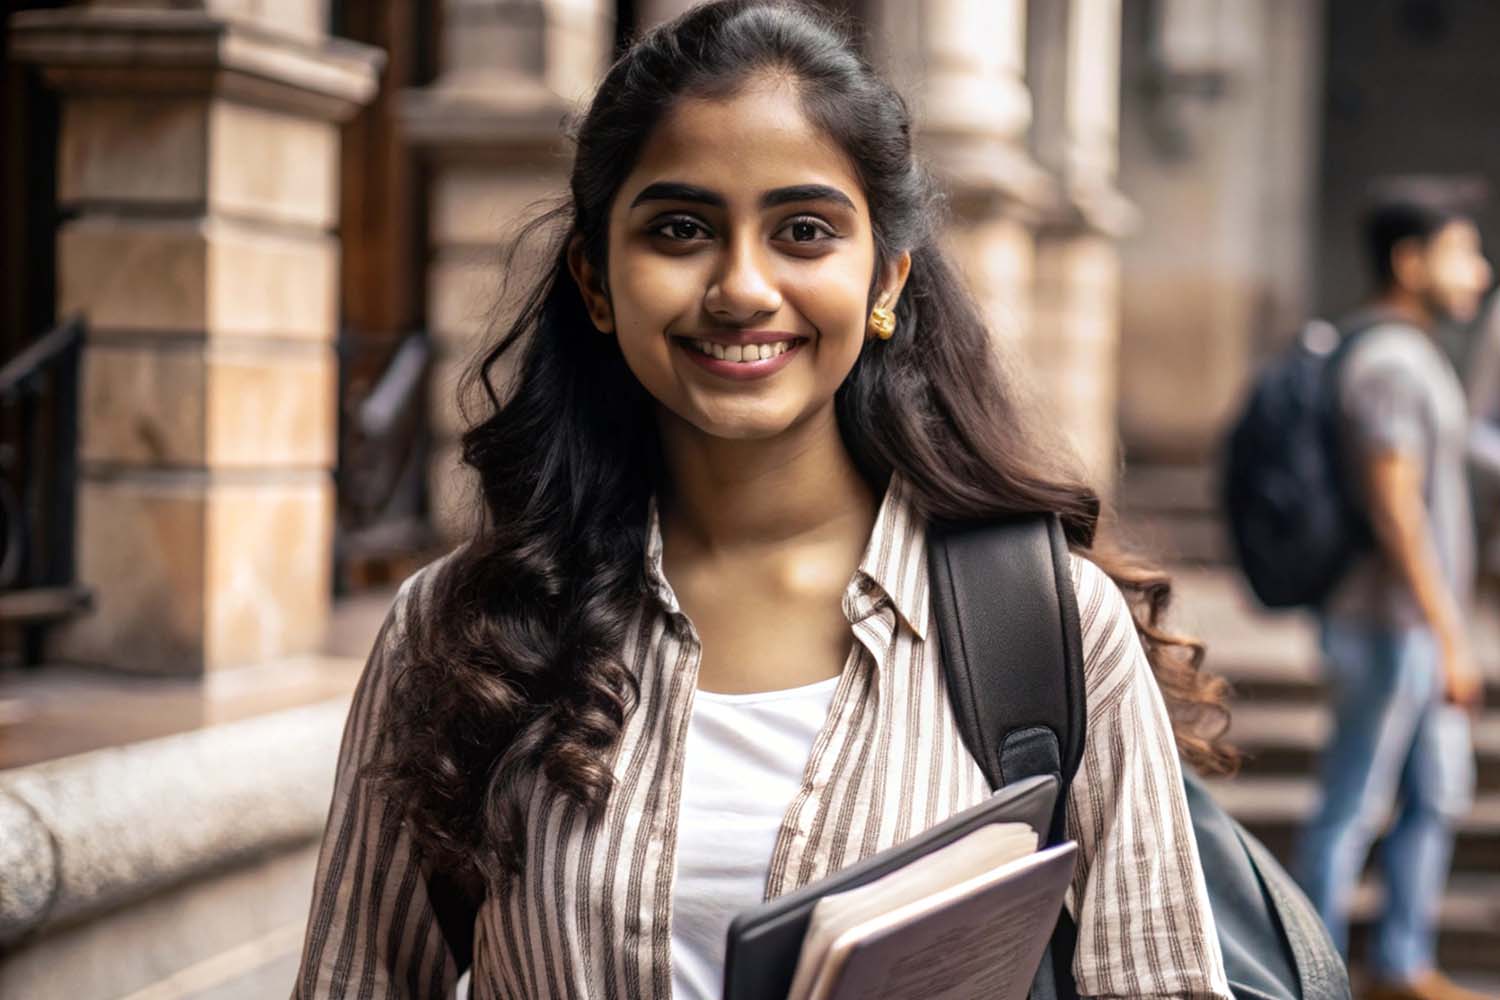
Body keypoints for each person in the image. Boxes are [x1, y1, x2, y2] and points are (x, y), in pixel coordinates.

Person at [291, 2, 1237, 997]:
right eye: (681, 229)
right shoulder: (460, 630)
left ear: (885, 281)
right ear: (597, 279)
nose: (742, 287)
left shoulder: (1050, 628)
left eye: (804, 231)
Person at [1296, 190, 1492, 1000]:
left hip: (1408, 624)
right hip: (1386, 623)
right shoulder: (1391, 363)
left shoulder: (1412, 354)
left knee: (1434, 793)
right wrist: (1450, 633)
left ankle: (1402, 964)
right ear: (1409, 262)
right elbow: (1396, 507)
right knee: (1350, 808)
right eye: (1462, 254)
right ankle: (1313, 975)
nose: (1479, 273)